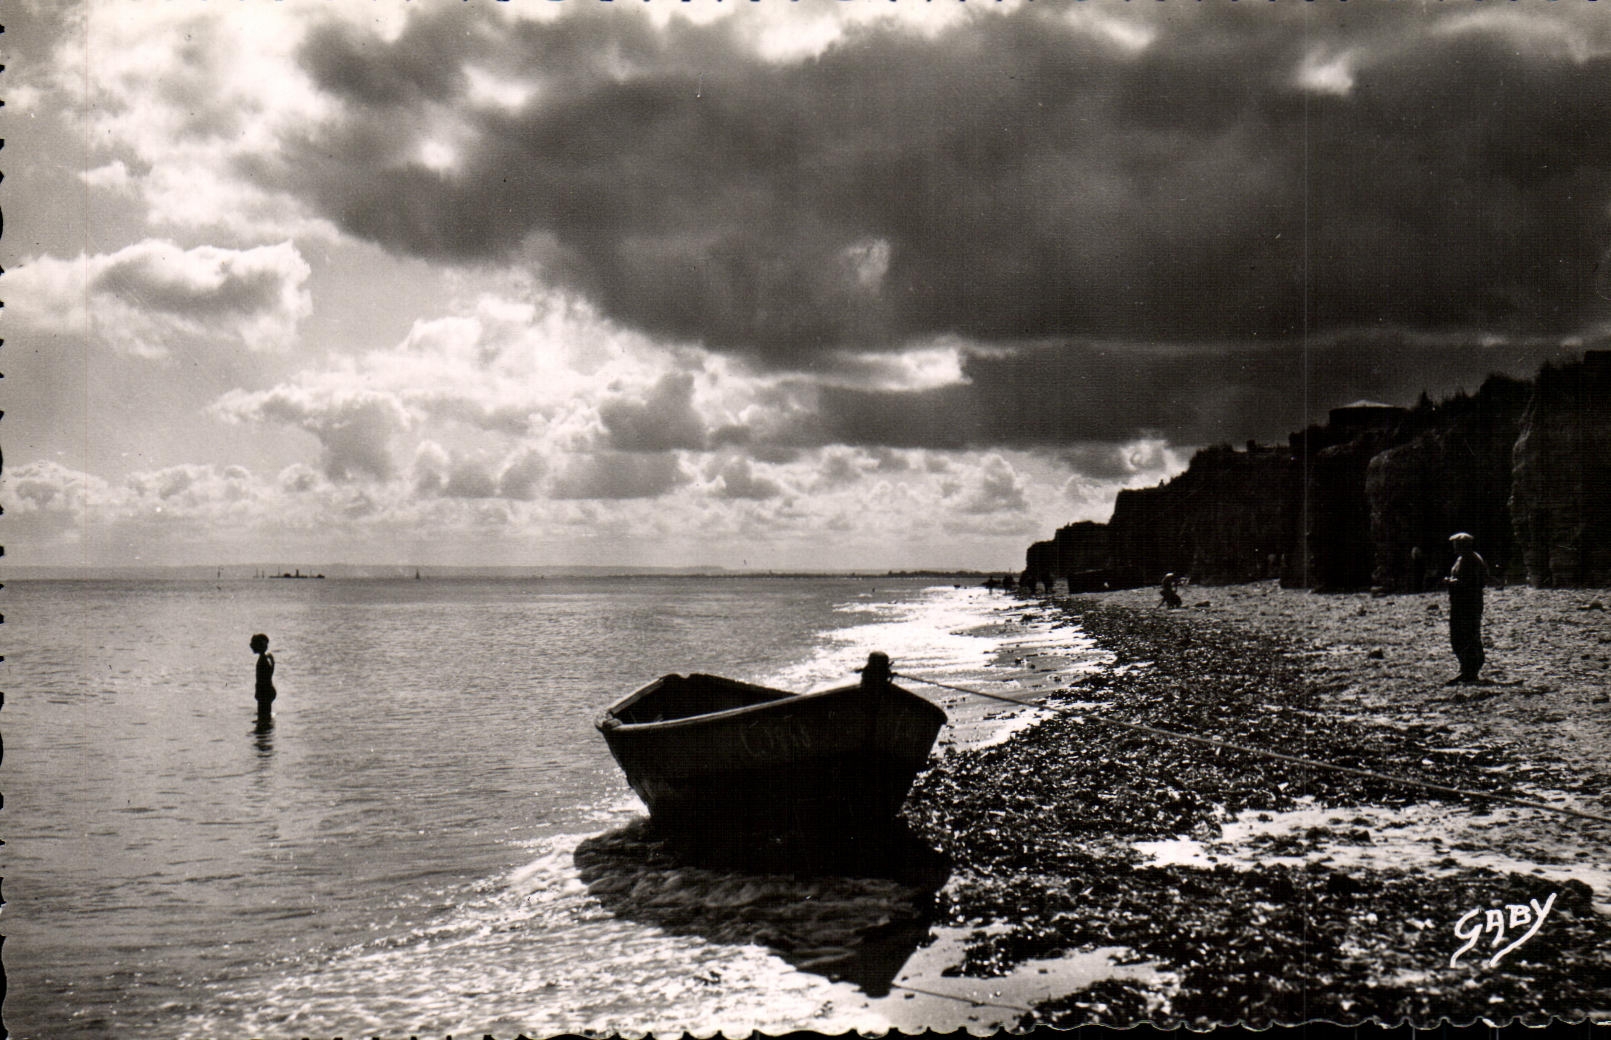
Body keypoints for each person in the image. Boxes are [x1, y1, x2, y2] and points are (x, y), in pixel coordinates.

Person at [1442, 533, 1488, 684]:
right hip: (1460, 604)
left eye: (1457, 545)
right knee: (1459, 636)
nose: (1455, 548)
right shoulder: (1462, 559)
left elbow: (1473, 583)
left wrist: (1453, 583)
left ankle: (1470, 671)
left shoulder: (1473, 560)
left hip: (1469, 604)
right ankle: (1466, 669)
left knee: (1468, 635)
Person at [251, 633, 277, 713]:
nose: (251, 646)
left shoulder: (262, 660)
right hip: (265, 692)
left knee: (263, 717)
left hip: (264, 693)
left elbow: (266, 677)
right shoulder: (263, 659)